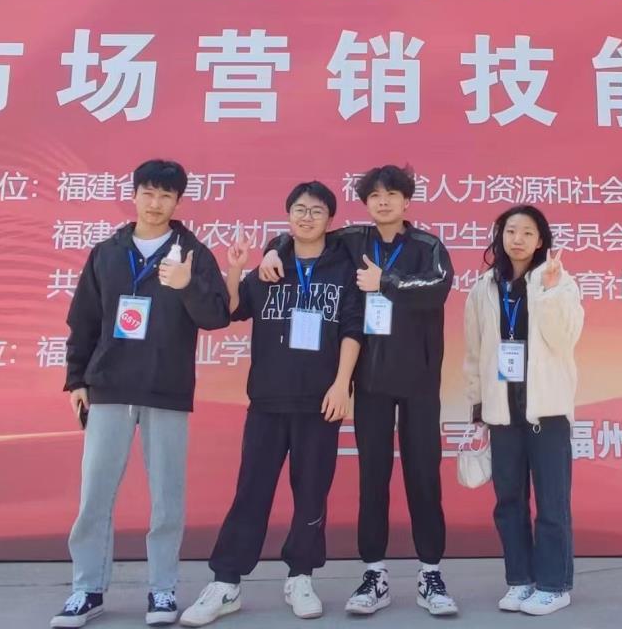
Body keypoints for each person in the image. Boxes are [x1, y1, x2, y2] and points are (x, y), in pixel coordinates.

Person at [256, 165, 457, 616]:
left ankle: (430, 572)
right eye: (375, 196)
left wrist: (385, 282)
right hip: (369, 382)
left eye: (392, 195)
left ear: (407, 202)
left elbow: (438, 287)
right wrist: (272, 250)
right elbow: (305, 236)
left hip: (420, 381)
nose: (383, 203)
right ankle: (374, 573)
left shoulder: (427, 246)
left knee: (424, 476)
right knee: (373, 477)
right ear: (366, 204)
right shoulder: (352, 240)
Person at [54, 159, 232, 629]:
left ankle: (162, 589)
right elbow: (83, 321)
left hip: (165, 388)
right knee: (94, 495)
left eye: (166, 196)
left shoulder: (192, 253)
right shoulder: (107, 253)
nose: (156, 203)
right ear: (133, 195)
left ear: (178, 202)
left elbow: (217, 316)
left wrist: (187, 286)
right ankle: (87, 589)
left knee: (167, 498)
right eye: (148, 193)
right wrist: (76, 379)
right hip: (109, 387)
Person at [181, 182, 365, 627]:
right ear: (287, 215)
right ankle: (226, 583)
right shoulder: (271, 266)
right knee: (251, 492)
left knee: (311, 494)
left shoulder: (343, 268)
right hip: (266, 399)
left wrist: (342, 385)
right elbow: (230, 310)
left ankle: (300, 577)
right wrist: (236, 267)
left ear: (330, 219)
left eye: (316, 211)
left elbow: (352, 329)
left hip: (319, 402)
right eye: (299, 209)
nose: (307, 217)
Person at [462, 204, 584, 616]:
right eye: (511, 230)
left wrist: (547, 294)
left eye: (528, 232)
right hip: (502, 413)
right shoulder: (483, 287)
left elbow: (564, 339)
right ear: (500, 236)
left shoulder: (559, 282)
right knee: (509, 502)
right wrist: (478, 409)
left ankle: (554, 585)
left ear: (540, 240)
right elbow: (474, 352)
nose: (518, 239)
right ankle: (520, 580)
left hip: (546, 412)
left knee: (552, 503)